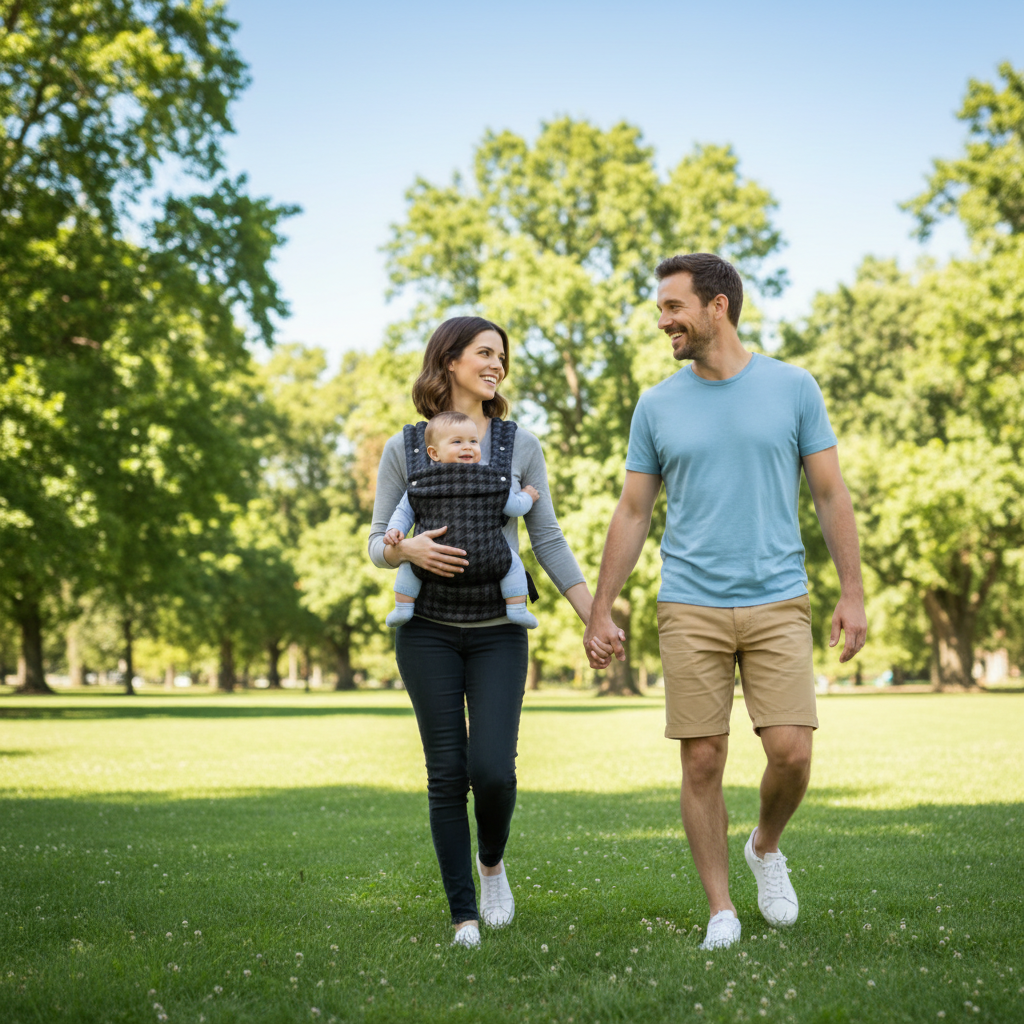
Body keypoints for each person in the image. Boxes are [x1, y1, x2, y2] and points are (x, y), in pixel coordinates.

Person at [584, 253, 867, 951]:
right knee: (703, 758)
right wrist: (600, 607)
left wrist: (853, 593)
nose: (663, 322)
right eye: (660, 309)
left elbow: (831, 493)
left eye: (673, 308)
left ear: (718, 307)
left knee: (792, 752)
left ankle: (765, 846)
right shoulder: (657, 403)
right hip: (689, 601)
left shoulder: (793, 387)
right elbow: (631, 510)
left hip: (778, 597)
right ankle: (722, 911)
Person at [369, 316, 603, 948]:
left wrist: (595, 614)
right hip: (426, 633)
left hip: (500, 629)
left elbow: (546, 538)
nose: (497, 363)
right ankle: (463, 917)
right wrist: (406, 550)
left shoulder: (520, 446)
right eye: (484, 353)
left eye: (502, 354)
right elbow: (375, 543)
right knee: (446, 773)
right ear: (448, 361)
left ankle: (492, 863)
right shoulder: (405, 447)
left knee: (493, 770)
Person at [382, 410, 541, 629]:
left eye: (473, 441)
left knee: (514, 564)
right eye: (457, 441)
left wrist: (526, 497)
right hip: (439, 558)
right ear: (434, 453)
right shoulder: (422, 483)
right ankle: (402, 608)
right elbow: (404, 511)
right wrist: (395, 531)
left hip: (489, 556)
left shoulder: (491, 480)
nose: (468, 446)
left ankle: (517, 610)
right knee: (409, 563)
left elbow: (513, 506)